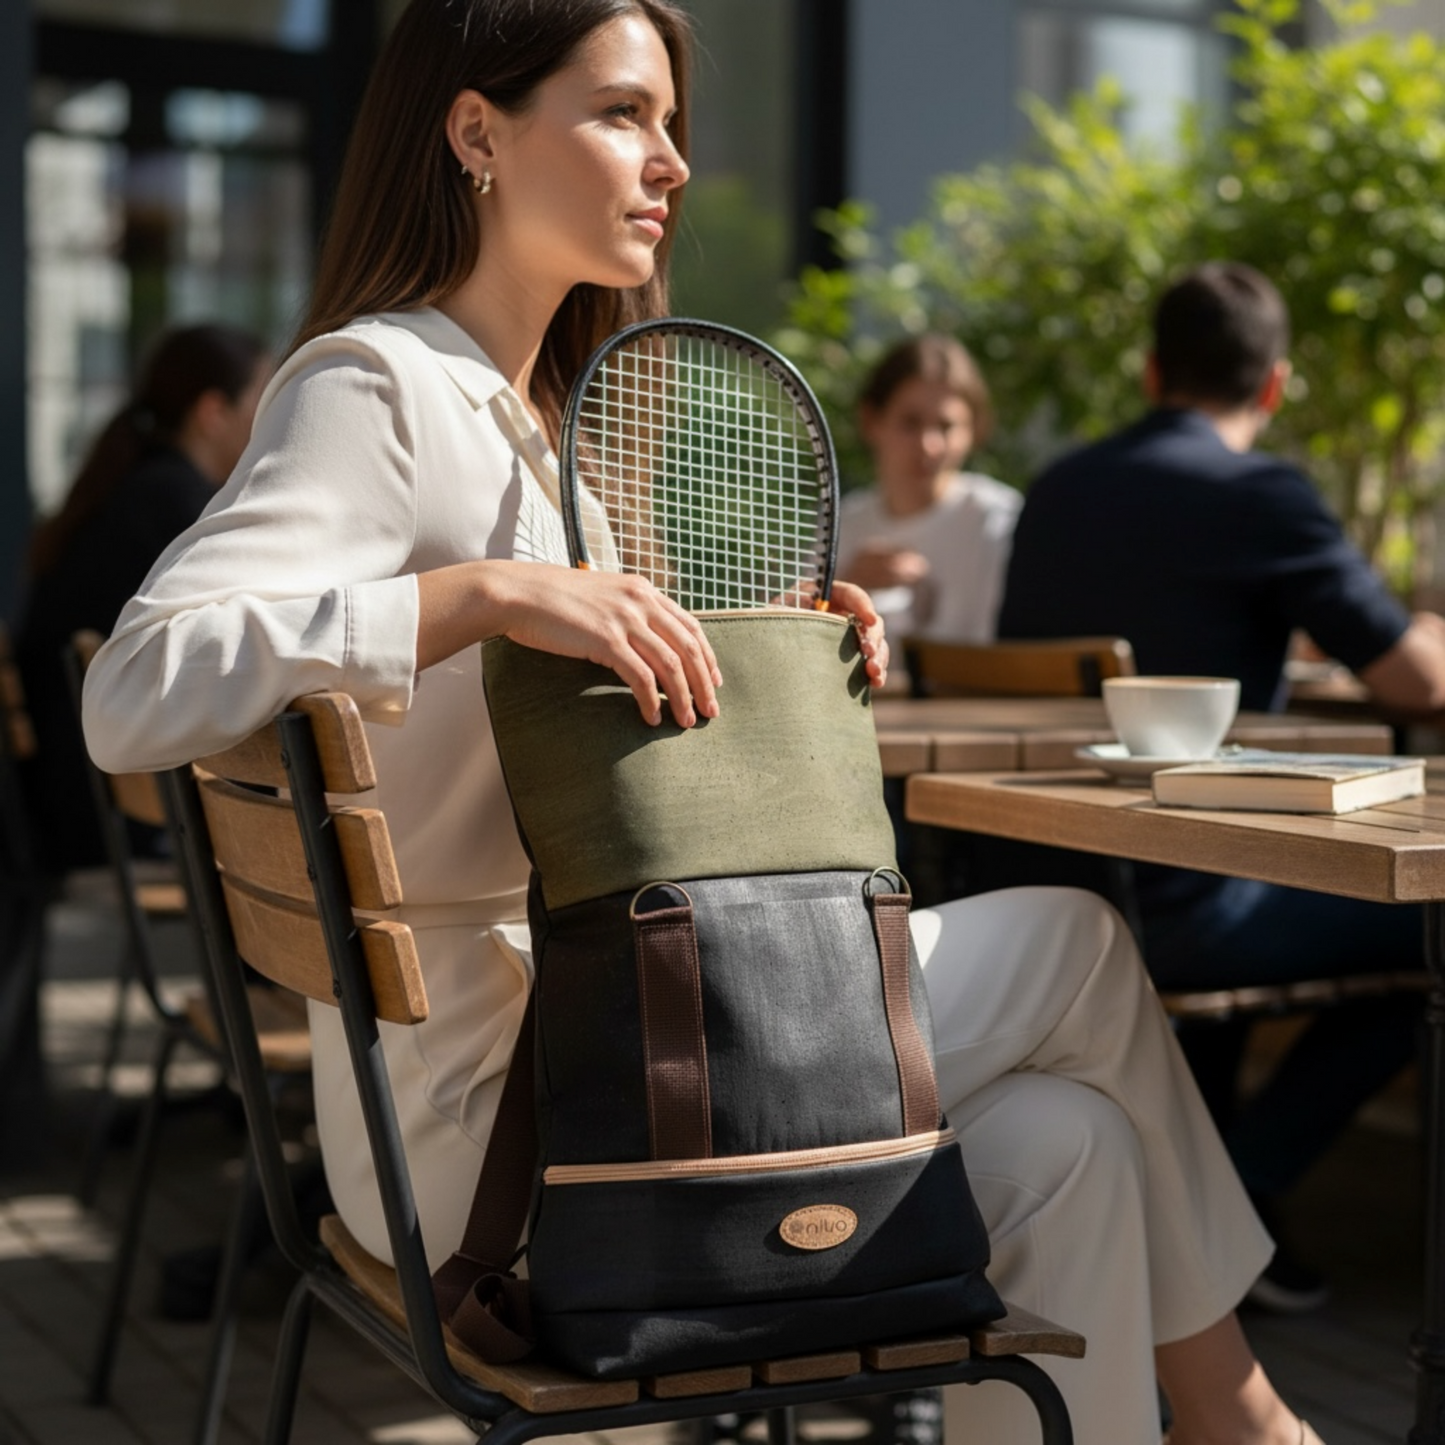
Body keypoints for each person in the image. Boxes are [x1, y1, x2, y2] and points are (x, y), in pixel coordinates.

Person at [80, 8, 1315, 1442]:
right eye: (621, 114)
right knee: (1084, 947)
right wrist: (477, 593)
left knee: (1071, 1145)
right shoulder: (382, 389)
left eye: (669, 123)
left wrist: (779, 656)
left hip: (604, 1061)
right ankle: (1254, 1423)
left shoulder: (539, 428)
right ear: (476, 131)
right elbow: (134, 685)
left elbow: (612, 776)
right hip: (512, 1136)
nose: (668, 161)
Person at [998, 260, 1439, 1312]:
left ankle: (1205, 1205)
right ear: (1274, 384)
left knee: (1238, 856)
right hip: (1181, 900)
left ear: (1151, 371)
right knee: (1431, 926)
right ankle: (1231, 1193)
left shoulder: (1056, 489)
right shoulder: (1257, 491)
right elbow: (1412, 681)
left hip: (1046, 878)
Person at [15, 322, 271, 875]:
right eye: (263, 400)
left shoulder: (138, 486)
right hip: (109, 812)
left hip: (75, 794)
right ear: (212, 412)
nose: (273, 424)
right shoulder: (180, 508)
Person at [837, 334, 1020, 647]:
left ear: (972, 431)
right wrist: (842, 594)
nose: (929, 445)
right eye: (910, 423)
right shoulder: (839, 527)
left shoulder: (1000, 520)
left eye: (946, 427)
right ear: (871, 422)